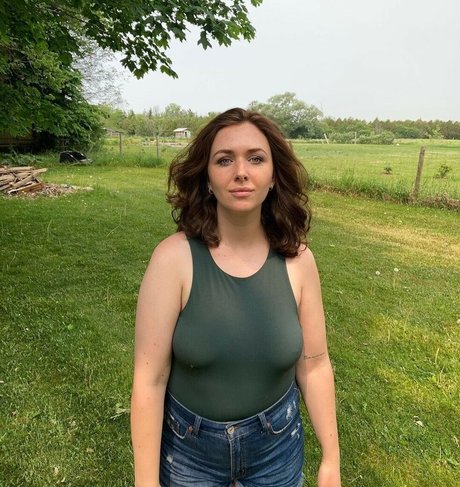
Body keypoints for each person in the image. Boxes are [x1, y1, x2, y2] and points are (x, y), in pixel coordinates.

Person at [131, 108, 341, 487]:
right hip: (190, 453)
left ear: (274, 176)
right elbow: (150, 378)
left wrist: (331, 460)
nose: (241, 172)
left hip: (276, 448)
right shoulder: (173, 259)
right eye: (224, 160)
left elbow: (314, 365)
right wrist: (146, 482)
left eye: (256, 159)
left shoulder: (298, 261)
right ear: (207, 178)